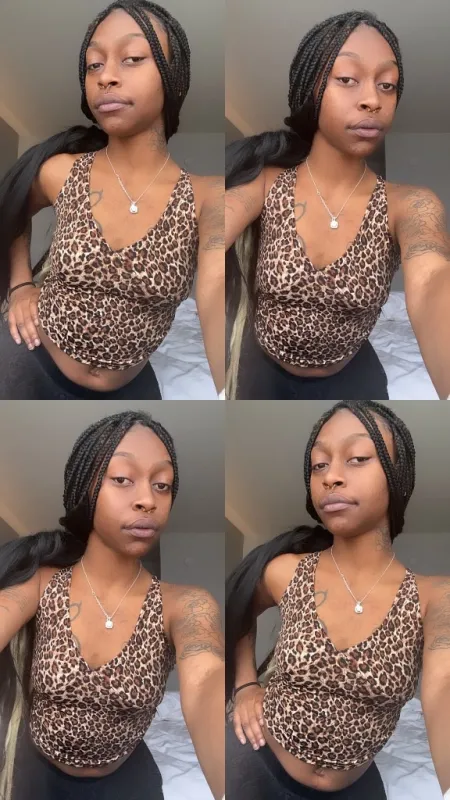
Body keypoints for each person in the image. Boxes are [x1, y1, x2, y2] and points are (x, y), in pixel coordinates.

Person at [0, 0, 224, 400]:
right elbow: (12, 209)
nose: (106, 77)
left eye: (132, 58)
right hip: (27, 361)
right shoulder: (62, 172)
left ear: (173, 78)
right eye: (94, 65)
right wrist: (20, 286)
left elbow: (214, 292)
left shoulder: (207, 197)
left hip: (129, 387)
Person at [225, 400, 450, 799]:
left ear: (397, 475)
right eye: (319, 465)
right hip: (254, 762)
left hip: (353, 787)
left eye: (358, 458)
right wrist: (244, 686)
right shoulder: (287, 572)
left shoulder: (434, 597)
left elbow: (443, 688)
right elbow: (238, 610)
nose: (331, 477)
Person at [225, 10, 450, 400]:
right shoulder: (266, 184)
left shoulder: (410, 204)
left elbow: (432, 279)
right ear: (310, 90)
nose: (373, 100)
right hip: (261, 375)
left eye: (387, 85)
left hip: (352, 378)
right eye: (347, 79)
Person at [0, 410, 224, 800]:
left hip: (126, 782)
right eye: (122, 479)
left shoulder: (185, 604)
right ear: (85, 489)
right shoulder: (41, 584)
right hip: (35, 777)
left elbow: (206, 680)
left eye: (162, 485)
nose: (148, 500)